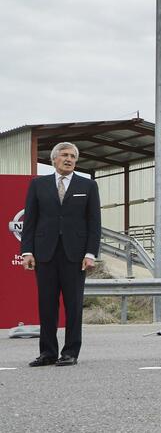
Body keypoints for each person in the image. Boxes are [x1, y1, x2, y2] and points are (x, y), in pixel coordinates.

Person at [19, 142, 102, 367]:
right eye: (64, 155)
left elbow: (94, 223)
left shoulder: (88, 186)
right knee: (46, 305)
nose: (69, 159)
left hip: (75, 255)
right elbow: (31, 221)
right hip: (44, 253)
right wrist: (27, 251)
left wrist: (90, 253)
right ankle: (47, 352)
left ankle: (70, 352)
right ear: (54, 159)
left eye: (73, 156)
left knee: (74, 306)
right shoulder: (38, 185)